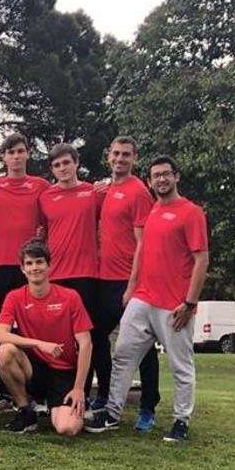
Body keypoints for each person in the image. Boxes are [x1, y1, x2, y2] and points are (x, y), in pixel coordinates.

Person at [86, 155, 208, 442]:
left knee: (180, 364)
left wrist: (189, 303)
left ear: (176, 176)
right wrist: (132, 288)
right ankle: (112, 413)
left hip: (174, 304)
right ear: (150, 180)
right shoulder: (152, 210)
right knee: (124, 355)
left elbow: (201, 259)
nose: (161, 180)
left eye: (166, 174)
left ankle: (181, 421)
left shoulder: (191, 212)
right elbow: (142, 251)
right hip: (143, 298)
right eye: (156, 176)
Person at [0, 239, 93, 436]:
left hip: (64, 372)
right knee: (4, 351)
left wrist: (79, 388)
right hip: (34, 369)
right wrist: (40, 344)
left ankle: (67, 406)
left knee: (67, 429)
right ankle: (26, 412)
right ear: (22, 269)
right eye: (29, 264)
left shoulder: (70, 296)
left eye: (39, 262)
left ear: (49, 265)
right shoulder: (14, 297)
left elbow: (86, 344)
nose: (34, 268)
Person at [95, 136, 160, 430]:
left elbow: (143, 244)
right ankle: (107, 395)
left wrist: (133, 285)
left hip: (129, 283)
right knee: (95, 337)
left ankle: (148, 408)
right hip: (104, 280)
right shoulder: (107, 189)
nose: (120, 159)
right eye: (116, 153)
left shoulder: (138, 192)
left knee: (142, 347)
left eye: (126, 155)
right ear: (109, 156)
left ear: (134, 159)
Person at [0, 133, 50, 414]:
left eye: (21, 151)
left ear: (28, 154)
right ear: (4, 157)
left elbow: (52, 219)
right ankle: (5, 393)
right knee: (2, 332)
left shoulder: (41, 186)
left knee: (36, 328)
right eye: (11, 152)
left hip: (31, 267)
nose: (16, 157)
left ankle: (41, 393)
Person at [38, 143, 103, 398]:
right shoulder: (45, 197)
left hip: (86, 275)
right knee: (52, 337)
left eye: (66, 163)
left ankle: (83, 394)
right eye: (56, 165)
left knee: (84, 339)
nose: (62, 168)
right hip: (55, 276)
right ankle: (47, 394)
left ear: (76, 163)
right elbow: (42, 232)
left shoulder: (94, 192)